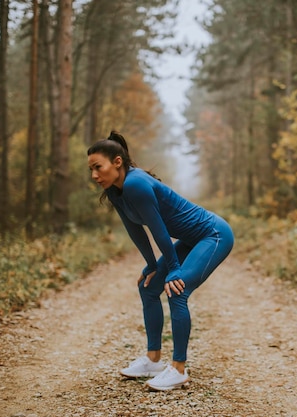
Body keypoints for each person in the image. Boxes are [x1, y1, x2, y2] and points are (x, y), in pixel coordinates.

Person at [87, 131, 234, 391]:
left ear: (117, 162)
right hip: (191, 238)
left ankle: (178, 369)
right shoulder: (115, 191)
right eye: (91, 169)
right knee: (149, 286)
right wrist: (152, 266)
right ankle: (153, 360)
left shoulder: (136, 184)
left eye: (98, 167)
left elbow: (159, 231)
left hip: (214, 234)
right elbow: (136, 230)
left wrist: (174, 269)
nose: (94, 175)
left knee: (177, 289)